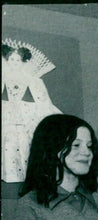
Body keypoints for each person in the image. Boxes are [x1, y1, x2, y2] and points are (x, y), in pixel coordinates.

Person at [2, 39, 61, 183]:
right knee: (8, 142)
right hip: (7, 113)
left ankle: (29, 174)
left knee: (24, 141)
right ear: (7, 60)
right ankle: (9, 174)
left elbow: (42, 99)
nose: (15, 62)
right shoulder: (4, 77)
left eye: (17, 59)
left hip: (24, 113)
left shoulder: (32, 80)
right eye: (12, 59)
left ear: (23, 61)